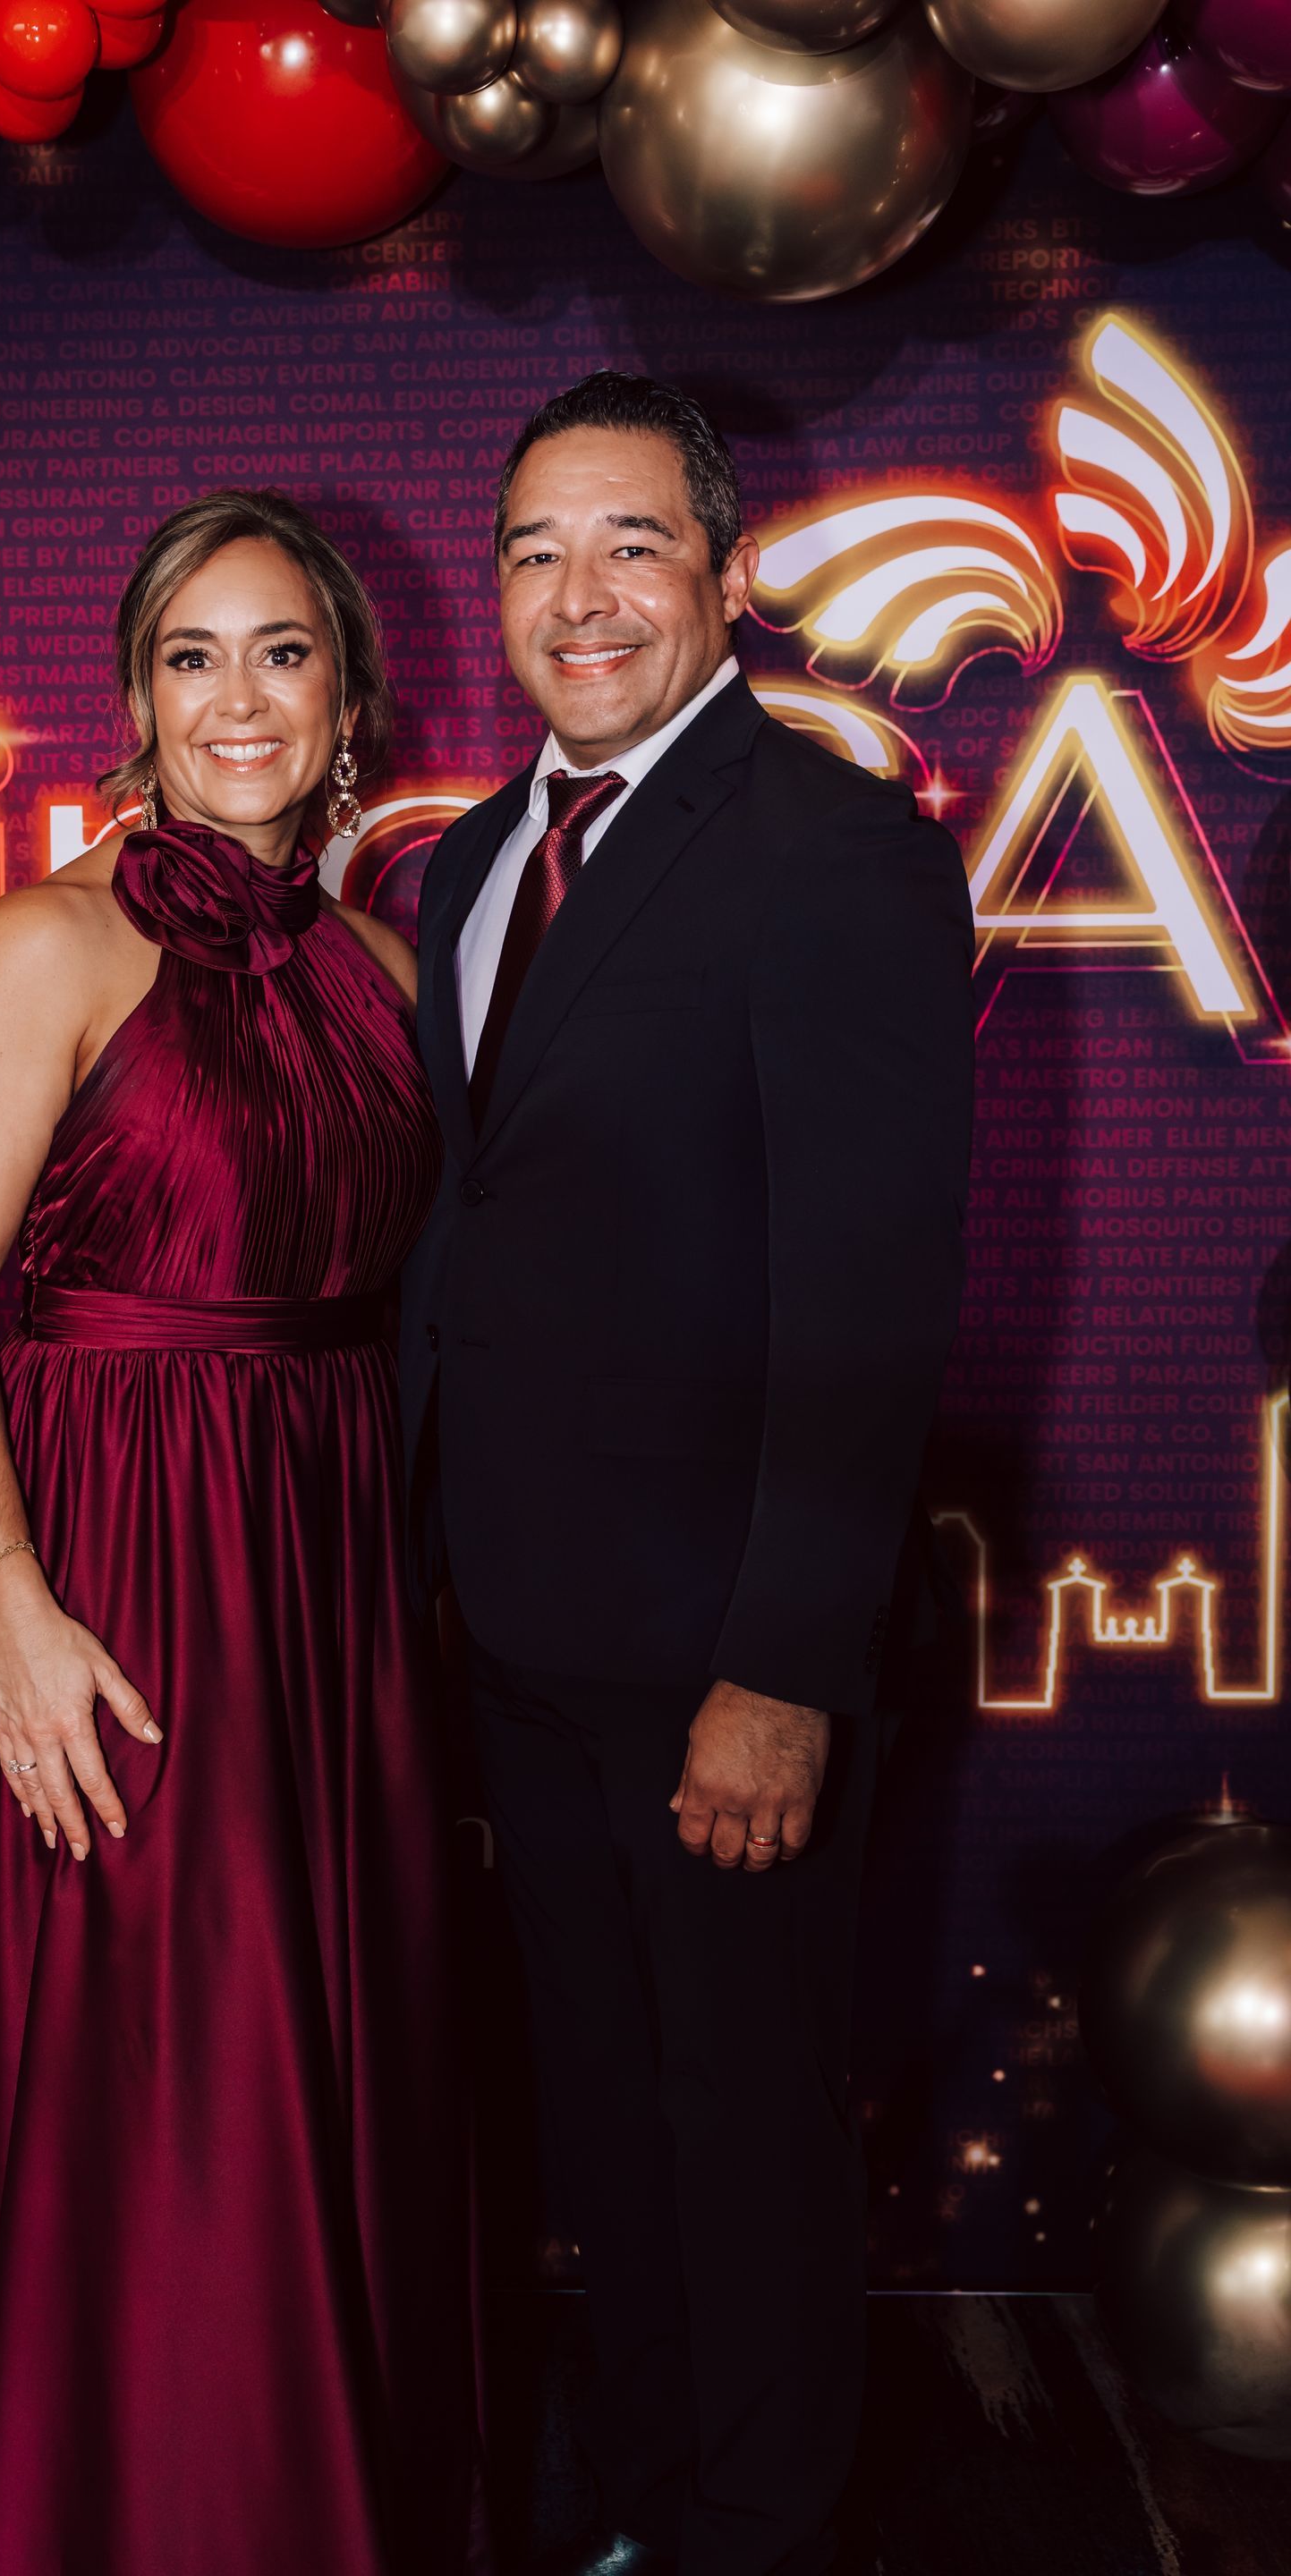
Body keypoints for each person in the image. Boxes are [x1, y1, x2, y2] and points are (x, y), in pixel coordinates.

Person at [0, 489, 480, 2576]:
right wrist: (12, 1613)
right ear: (138, 698)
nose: (239, 700)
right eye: (193, 657)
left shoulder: (393, 969)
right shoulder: (46, 942)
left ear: (350, 698)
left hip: (331, 1569)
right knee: (159, 2067)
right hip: (111, 1566)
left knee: (324, 2051)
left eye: (283, 652)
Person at [400, 372, 975, 2576]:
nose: (581, 594)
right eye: (536, 550)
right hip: (515, 1632)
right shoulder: (475, 861)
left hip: (720, 1656)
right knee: (604, 2124)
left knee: (741, 2127)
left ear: (727, 578)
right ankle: (649, 2506)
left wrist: (784, 1669)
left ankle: (756, 2529)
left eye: (631, 544)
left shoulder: (836, 850)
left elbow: (867, 1298)